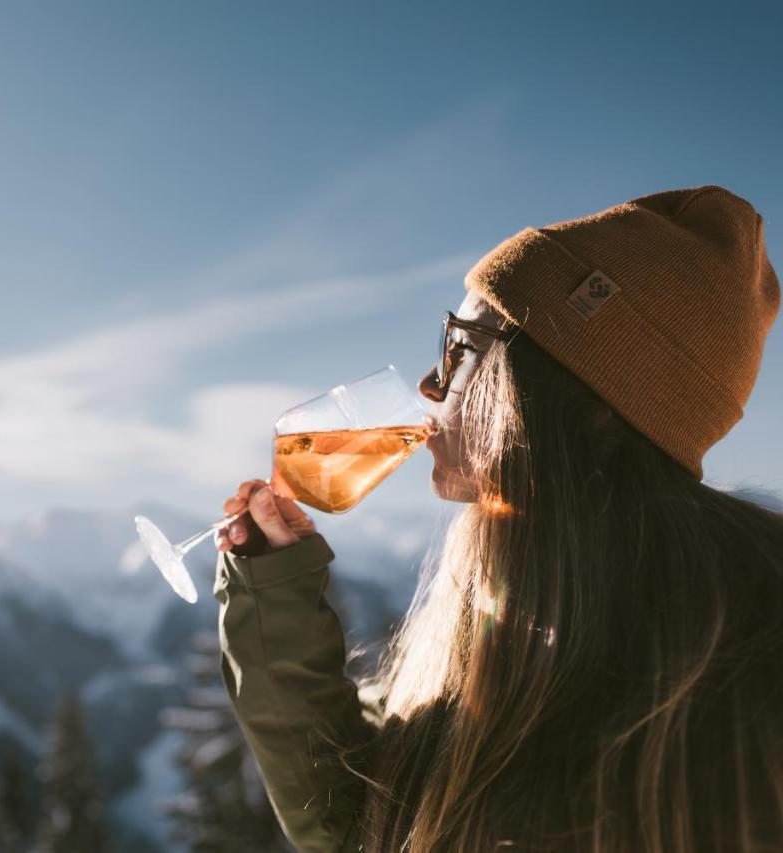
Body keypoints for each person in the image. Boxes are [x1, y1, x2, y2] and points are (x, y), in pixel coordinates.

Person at [213, 185, 783, 852]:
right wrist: (275, 596)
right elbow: (373, 819)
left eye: (462, 345)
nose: (431, 382)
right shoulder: (500, 592)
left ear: (562, 389)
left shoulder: (749, 657)